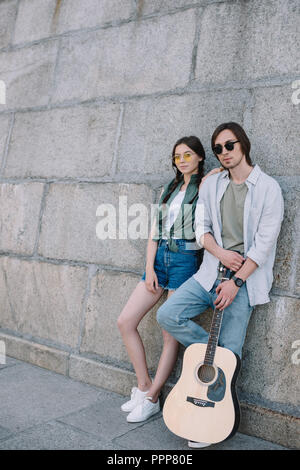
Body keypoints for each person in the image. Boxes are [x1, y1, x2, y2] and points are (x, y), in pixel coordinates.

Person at [157, 122, 284, 447]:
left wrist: (236, 281)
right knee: (168, 315)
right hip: (209, 272)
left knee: (232, 349)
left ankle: (211, 415)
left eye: (229, 145)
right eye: (218, 149)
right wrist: (221, 254)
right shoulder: (212, 185)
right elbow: (202, 229)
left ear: (243, 144)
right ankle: (212, 358)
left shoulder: (268, 188)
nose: (224, 153)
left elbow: (264, 245)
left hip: (245, 279)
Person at [117, 136, 222, 423]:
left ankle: (152, 398)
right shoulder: (169, 188)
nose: (183, 160)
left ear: (200, 157)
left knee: (169, 333)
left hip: (184, 260)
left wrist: (211, 175)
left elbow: (223, 177)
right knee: (125, 322)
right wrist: (149, 268)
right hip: (159, 260)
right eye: (178, 156)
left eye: (188, 155)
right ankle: (143, 387)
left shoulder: (206, 184)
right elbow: (154, 232)